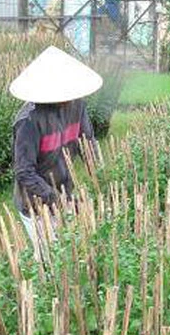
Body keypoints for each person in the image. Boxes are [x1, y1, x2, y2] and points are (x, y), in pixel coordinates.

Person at [9, 46, 103, 260]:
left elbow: (88, 143)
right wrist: (54, 198)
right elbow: (24, 172)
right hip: (35, 203)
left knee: (70, 255)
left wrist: (101, 177)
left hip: (65, 193)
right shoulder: (28, 121)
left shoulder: (77, 106)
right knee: (48, 260)